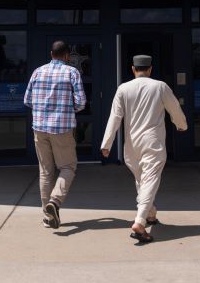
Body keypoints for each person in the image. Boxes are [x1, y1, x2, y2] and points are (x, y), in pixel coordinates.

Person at [101, 54, 187, 244]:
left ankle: (150, 214)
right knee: (149, 180)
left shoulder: (123, 89)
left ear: (133, 69)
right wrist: (182, 125)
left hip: (131, 145)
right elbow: (174, 109)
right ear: (150, 69)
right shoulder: (160, 86)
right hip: (153, 142)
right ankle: (140, 222)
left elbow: (114, 118)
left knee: (142, 180)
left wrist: (106, 144)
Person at [24, 40, 87, 229]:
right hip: (62, 128)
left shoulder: (37, 71)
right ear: (67, 55)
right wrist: (67, 110)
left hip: (39, 128)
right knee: (68, 167)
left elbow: (27, 100)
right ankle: (55, 201)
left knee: (45, 171)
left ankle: (48, 217)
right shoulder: (71, 72)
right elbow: (81, 102)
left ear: (51, 54)